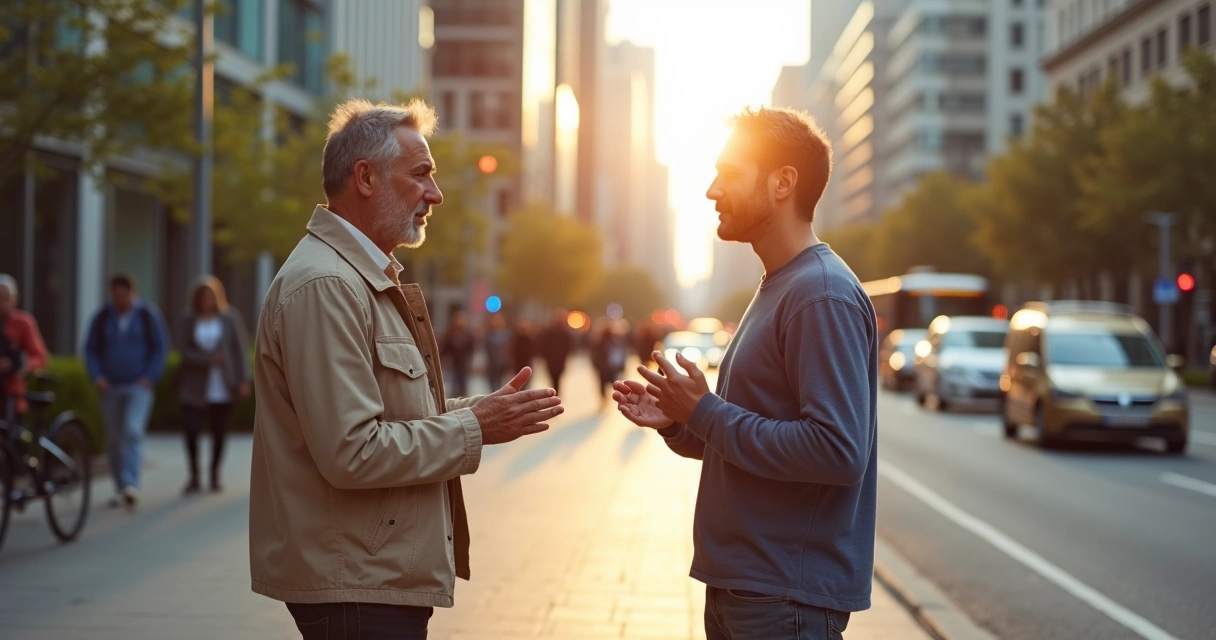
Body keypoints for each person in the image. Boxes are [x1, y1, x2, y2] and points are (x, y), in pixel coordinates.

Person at [249, 99, 564, 639]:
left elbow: (394, 413)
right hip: (355, 582)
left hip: (371, 575)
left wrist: (481, 412)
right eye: (421, 175)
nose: (435, 195)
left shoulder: (358, 278)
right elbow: (353, 450)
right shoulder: (327, 285)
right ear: (365, 177)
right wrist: (475, 427)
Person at [613, 107, 877, 640]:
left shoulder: (819, 293)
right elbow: (753, 437)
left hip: (783, 600)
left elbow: (837, 452)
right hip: (750, 592)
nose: (712, 190)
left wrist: (706, 410)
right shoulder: (779, 285)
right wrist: (680, 422)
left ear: (783, 183)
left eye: (731, 173)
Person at [85, 272, 169, 510]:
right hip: (110, 386)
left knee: (132, 431)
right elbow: (91, 349)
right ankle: (120, 487)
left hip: (137, 386)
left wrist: (149, 377)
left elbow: (159, 348)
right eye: (115, 295)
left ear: (132, 293)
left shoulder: (147, 315)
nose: (119, 300)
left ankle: (131, 484)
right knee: (113, 439)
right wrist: (97, 376)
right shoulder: (103, 317)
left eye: (123, 295)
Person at [176, 276, 251, 495]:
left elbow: (239, 349)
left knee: (219, 432)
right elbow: (183, 350)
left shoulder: (229, 318)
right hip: (194, 384)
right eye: (203, 296)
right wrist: (208, 359)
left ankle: (214, 473)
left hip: (223, 384)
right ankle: (194, 475)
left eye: (210, 296)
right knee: (191, 430)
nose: (207, 300)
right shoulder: (188, 320)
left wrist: (243, 380)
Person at [0, 274, 49, 416]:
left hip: (13, 394)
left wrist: (20, 365)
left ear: (15, 299)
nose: (1, 302)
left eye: (5, 297)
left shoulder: (23, 323)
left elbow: (40, 356)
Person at [591, 320, 627, 408]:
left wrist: (595, 364)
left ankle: (604, 399)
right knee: (613, 383)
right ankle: (617, 397)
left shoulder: (599, 342)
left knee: (602, 384)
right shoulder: (615, 341)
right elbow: (620, 354)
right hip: (611, 367)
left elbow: (594, 354)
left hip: (602, 367)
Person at [440, 309, 476, 397]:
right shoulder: (449, 334)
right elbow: (444, 349)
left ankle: (463, 397)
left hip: (464, 363)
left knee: (463, 383)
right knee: (453, 384)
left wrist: (470, 360)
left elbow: (471, 349)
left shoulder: (468, 335)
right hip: (452, 363)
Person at [540, 310, 572, 395]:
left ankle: (554, 391)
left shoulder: (550, 331)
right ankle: (556, 392)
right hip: (559, 359)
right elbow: (568, 347)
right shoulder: (564, 332)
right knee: (557, 377)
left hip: (552, 359)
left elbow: (544, 345)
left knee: (553, 376)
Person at [483, 313, 512, 391]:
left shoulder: (506, 335)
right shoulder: (489, 335)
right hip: (492, 363)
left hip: (502, 362)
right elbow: (487, 350)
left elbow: (508, 349)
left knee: (501, 382)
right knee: (493, 383)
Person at [510, 318, 537, 390]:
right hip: (518, 362)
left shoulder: (528, 339)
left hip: (526, 362)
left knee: (526, 379)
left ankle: (524, 389)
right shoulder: (516, 339)